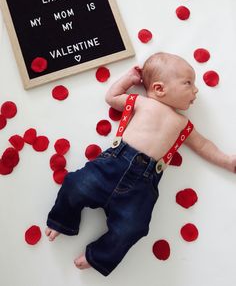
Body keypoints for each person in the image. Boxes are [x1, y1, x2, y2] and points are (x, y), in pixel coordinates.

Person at [45, 52, 236, 276]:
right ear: (159, 88)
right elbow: (112, 97)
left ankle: (98, 255)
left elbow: (203, 145)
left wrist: (227, 161)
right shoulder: (141, 103)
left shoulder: (182, 124)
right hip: (112, 164)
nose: (196, 90)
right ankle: (61, 220)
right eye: (188, 83)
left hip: (142, 185)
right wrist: (129, 79)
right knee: (75, 184)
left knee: (133, 228)